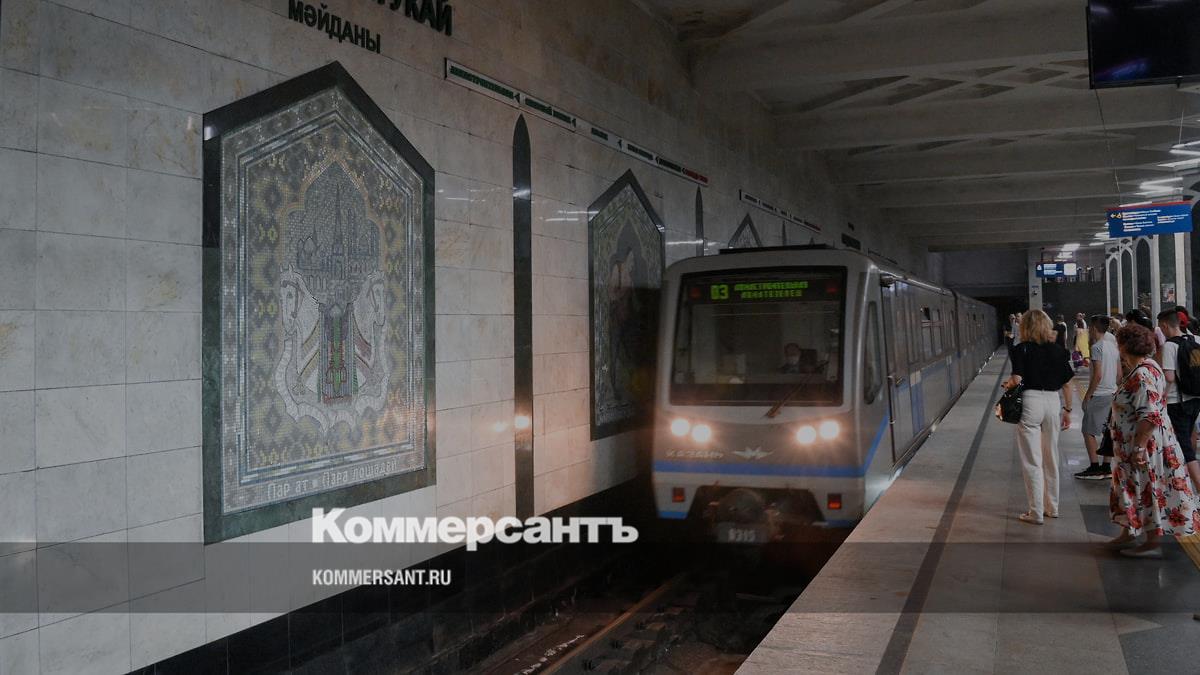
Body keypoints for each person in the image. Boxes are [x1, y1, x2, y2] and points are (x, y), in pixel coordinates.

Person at [1108, 323, 1199, 557]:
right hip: (1137, 443)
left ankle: (1151, 542)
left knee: (1148, 488)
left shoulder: (1142, 374)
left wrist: (1139, 448)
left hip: (1144, 446)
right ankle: (1128, 532)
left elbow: (1149, 414)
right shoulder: (1146, 367)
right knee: (1132, 487)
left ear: (1124, 346)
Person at [1005, 310, 1075, 525]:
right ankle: (1052, 507)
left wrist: (1008, 385)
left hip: (1030, 402)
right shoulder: (1058, 350)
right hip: (1053, 402)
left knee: (1032, 460)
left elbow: (1017, 379)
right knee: (1051, 455)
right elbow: (1067, 384)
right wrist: (1068, 410)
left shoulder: (1021, 349)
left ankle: (1035, 512)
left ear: (1025, 327)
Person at [1076, 315, 1116, 480]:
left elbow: (1097, 375)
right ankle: (1106, 466)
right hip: (1112, 392)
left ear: (1093, 328)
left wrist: (1088, 395)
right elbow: (1120, 374)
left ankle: (1094, 467)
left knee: (1087, 430)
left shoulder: (1096, 347)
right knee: (1108, 430)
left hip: (1099, 394)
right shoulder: (1113, 347)